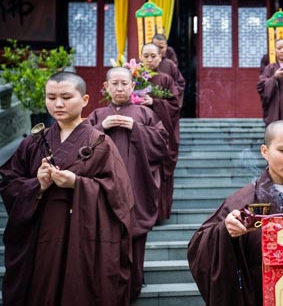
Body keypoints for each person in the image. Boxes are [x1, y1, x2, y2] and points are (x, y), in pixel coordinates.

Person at [0, 72, 135, 306]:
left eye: (65, 97)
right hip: (41, 239)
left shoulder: (100, 143)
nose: (58, 104)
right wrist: (37, 185)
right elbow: (9, 181)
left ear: (84, 100)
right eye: (51, 97)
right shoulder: (33, 142)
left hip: (83, 240)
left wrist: (77, 183)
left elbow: (120, 196)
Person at [188, 120, 283, 306]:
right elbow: (199, 246)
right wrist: (225, 231)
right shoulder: (241, 201)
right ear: (265, 151)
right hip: (260, 295)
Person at [87, 67, 169, 300]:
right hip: (103, 191)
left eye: (125, 83)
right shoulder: (97, 115)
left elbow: (163, 144)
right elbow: (80, 146)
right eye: (115, 83)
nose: (120, 88)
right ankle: (106, 286)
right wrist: (100, 129)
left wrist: (137, 129)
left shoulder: (145, 114)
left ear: (133, 87)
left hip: (135, 189)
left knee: (133, 237)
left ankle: (134, 282)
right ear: (106, 87)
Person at [140, 43, 181, 221]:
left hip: (160, 134)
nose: (149, 60)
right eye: (146, 56)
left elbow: (175, 105)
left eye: (153, 56)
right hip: (139, 135)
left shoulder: (166, 79)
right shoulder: (134, 78)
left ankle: (160, 214)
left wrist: (154, 103)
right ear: (140, 57)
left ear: (160, 58)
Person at [257, 39, 283, 125]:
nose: (282, 51)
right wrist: (274, 77)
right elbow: (261, 87)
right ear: (275, 51)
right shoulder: (269, 68)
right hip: (274, 107)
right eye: (279, 48)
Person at [144, 39, 185, 108]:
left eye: (161, 47)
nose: (149, 60)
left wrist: (170, 93)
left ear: (166, 47)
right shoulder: (138, 68)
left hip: (163, 105)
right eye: (146, 56)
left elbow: (180, 84)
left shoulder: (170, 65)